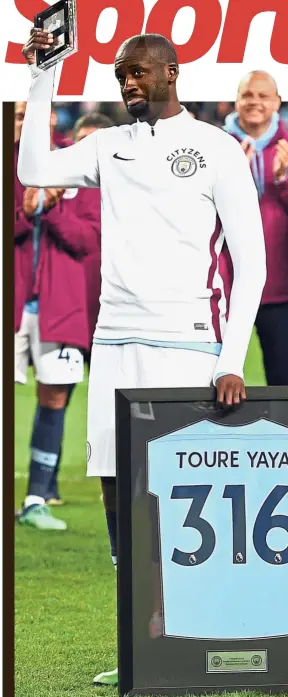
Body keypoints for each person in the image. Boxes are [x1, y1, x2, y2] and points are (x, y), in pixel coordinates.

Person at [18, 30, 266, 685]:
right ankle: (139, 642)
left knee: (183, 498)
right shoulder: (109, 145)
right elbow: (32, 171)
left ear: (171, 73)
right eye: (120, 74)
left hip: (186, 344)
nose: (128, 82)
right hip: (113, 344)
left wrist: (228, 359)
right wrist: (45, 75)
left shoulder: (214, 147)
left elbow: (253, 264)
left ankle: (195, 637)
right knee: (115, 491)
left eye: (138, 72)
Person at [15, 101, 101, 527]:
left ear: (49, 118)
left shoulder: (77, 167)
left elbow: (89, 239)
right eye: (15, 116)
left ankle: (36, 500)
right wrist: (25, 211)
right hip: (11, 303)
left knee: (54, 397)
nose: (24, 123)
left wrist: (52, 209)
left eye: (31, 114)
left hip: (59, 305)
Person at [224, 71, 288, 385]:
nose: (254, 102)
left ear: (277, 102)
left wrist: (283, 181)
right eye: (247, 95)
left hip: (282, 291)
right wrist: (231, 181)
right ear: (236, 100)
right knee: (212, 387)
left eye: (263, 96)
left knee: (284, 389)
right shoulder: (214, 147)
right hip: (225, 291)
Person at [72, 112, 114, 362]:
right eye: (81, 141)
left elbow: (85, 238)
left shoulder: (131, 186)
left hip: (113, 305)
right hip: (68, 304)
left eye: (94, 142)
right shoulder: (58, 184)